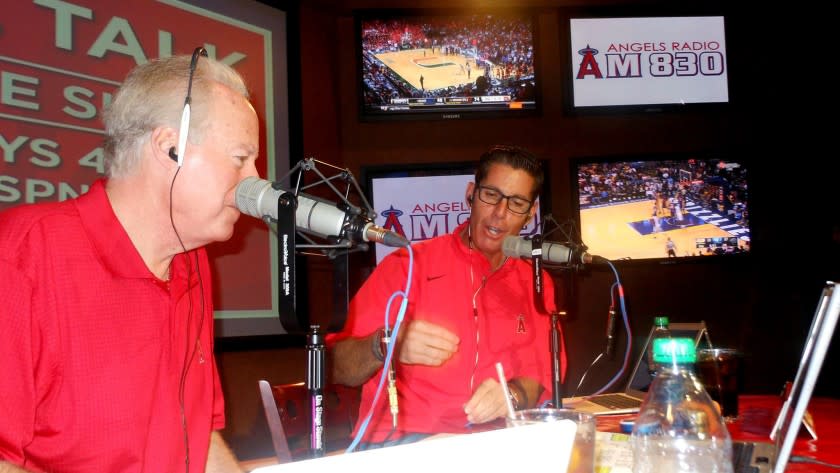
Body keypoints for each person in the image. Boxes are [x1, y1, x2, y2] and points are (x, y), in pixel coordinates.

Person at [0, 50, 259, 472]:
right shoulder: (21, 254)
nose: (254, 182)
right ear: (169, 148)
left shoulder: (192, 262)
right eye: (240, 159)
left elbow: (197, 441)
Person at [329, 145, 562, 447]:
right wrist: (388, 343)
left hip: (497, 445)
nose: (500, 214)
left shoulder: (535, 281)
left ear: (531, 213)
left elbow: (541, 372)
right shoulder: (407, 265)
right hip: (403, 443)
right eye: (491, 195)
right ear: (470, 194)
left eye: (516, 203)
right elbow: (333, 365)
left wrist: (513, 394)